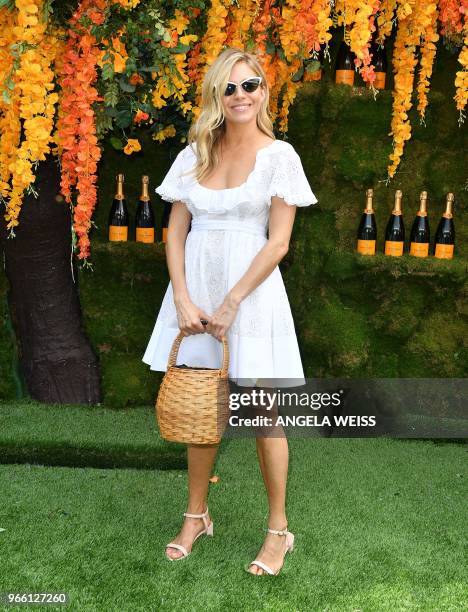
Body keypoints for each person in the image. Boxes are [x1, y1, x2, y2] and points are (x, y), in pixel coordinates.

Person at [142, 47, 318, 576]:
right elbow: (176, 230)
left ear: (264, 91)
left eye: (252, 84)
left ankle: (278, 531)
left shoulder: (280, 155)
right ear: (216, 95)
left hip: (252, 294)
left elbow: (278, 242)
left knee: (265, 414)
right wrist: (182, 297)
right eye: (231, 87)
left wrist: (232, 302)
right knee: (202, 410)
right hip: (194, 292)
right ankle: (196, 516)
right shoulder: (195, 151)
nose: (243, 95)